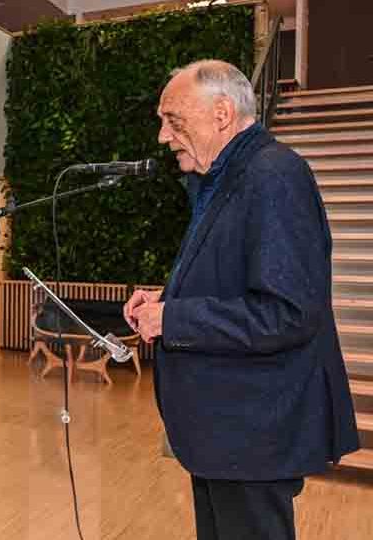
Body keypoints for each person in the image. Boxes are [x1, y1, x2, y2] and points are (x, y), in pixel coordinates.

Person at [124, 60, 358, 540]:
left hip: (252, 432)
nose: (163, 137)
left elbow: (287, 312)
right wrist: (168, 296)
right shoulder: (229, 176)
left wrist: (173, 318)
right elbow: (238, 279)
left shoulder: (273, 176)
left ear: (222, 113)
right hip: (228, 433)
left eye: (174, 120)